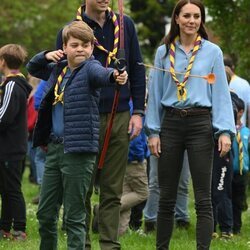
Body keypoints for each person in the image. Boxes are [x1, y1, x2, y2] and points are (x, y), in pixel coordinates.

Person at [26, 21, 128, 250]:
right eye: (74, 45)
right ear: (64, 47)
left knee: (74, 216)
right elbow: (32, 67)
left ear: (92, 47)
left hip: (78, 153)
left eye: (86, 44)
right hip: (53, 149)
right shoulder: (57, 68)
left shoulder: (91, 69)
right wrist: (46, 55)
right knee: (45, 213)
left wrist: (116, 75)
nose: (80, 49)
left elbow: (106, 75)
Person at [144, 0, 235, 249]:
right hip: (171, 123)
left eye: (197, 16)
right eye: (186, 16)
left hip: (200, 124)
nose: (192, 21)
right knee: (166, 197)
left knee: (203, 198)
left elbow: (220, 94)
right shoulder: (163, 52)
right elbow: (155, 93)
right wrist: (153, 131)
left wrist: (225, 130)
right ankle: (161, 246)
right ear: (177, 19)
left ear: (201, 20)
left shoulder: (212, 52)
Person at [56, 1, 146, 249]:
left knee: (113, 188)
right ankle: (81, 243)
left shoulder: (125, 24)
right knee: (82, 187)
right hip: (85, 117)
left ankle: (109, 243)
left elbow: (137, 68)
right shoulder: (71, 29)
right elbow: (59, 75)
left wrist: (138, 112)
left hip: (119, 115)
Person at [0, 44, 32, 240]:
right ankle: (4, 227)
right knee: (6, 188)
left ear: (3, 61)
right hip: (10, 146)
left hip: (10, 147)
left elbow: (4, 117)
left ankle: (19, 228)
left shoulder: (12, 84)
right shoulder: (12, 83)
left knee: (12, 189)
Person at [231, 97, 250, 235]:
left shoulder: (247, 133)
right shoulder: (227, 132)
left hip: (242, 172)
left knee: (238, 200)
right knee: (225, 198)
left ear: (241, 112)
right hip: (227, 170)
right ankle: (225, 224)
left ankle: (237, 227)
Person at [224, 54, 250, 127]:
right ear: (233, 67)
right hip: (241, 129)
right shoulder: (244, 83)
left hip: (222, 130)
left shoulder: (217, 83)